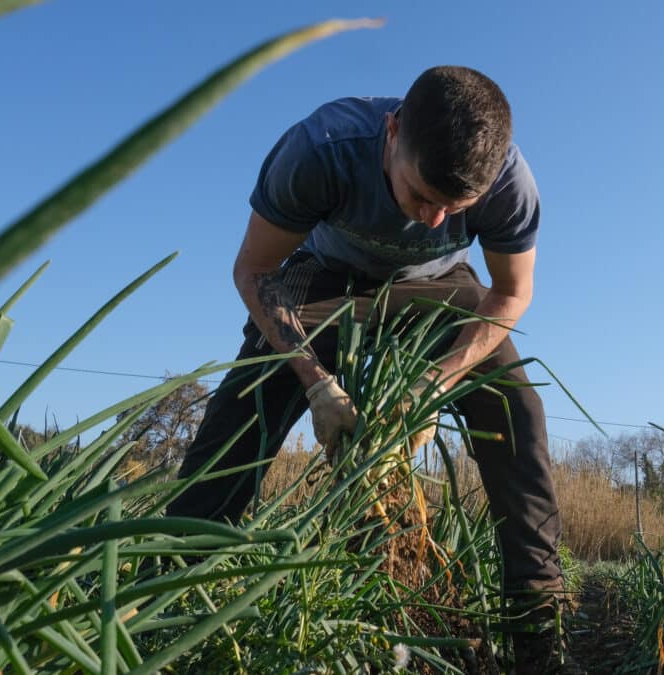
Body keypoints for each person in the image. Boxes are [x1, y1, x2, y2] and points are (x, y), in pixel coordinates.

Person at [167, 66, 575, 673]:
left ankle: (537, 630)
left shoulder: (509, 181)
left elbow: (511, 294)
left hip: (437, 286)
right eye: (419, 196)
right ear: (392, 133)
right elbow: (252, 273)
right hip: (326, 277)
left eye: (453, 208)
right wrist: (315, 381)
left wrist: (436, 382)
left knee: (517, 408)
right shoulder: (321, 151)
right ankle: (172, 590)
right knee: (249, 394)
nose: (434, 221)